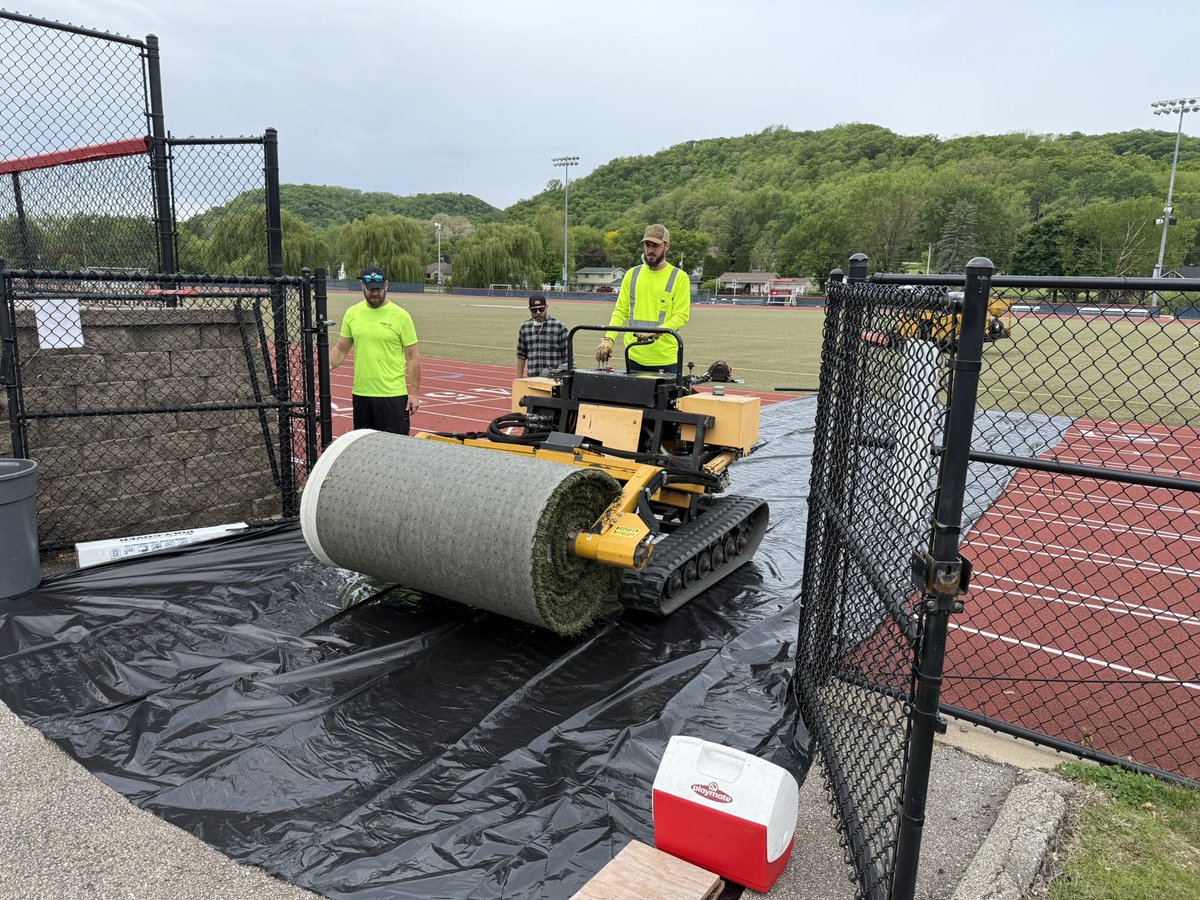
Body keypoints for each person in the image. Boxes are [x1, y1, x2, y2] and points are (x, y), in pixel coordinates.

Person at [329, 265, 422, 435]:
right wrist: (326, 367)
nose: (375, 293)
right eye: (371, 289)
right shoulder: (352, 313)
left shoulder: (401, 316)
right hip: (361, 394)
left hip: (392, 395)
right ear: (362, 286)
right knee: (364, 449)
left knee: (395, 449)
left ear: (386, 286)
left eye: (378, 289)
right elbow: (341, 348)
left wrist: (414, 394)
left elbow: (413, 357)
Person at [595, 224, 690, 373]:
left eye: (655, 246)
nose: (650, 250)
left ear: (667, 246)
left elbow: (681, 315)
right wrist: (609, 339)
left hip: (665, 359)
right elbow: (620, 311)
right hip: (633, 356)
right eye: (647, 245)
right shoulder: (632, 275)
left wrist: (656, 331)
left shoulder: (679, 277)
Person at [515, 293, 569, 378]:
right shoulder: (525, 328)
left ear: (547, 307)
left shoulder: (559, 327)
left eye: (541, 309)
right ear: (529, 309)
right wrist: (518, 380)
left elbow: (569, 358)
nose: (538, 312)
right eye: (534, 310)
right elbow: (521, 356)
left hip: (553, 381)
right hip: (533, 381)